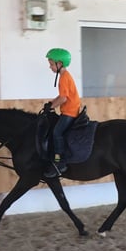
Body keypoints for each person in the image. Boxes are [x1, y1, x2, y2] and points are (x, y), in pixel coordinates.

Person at [43, 47, 81, 177]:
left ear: (60, 64)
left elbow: (64, 98)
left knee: (57, 132)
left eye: (51, 64)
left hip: (70, 112)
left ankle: (60, 163)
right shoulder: (65, 76)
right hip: (69, 109)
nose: (50, 67)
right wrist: (51, 104)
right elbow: (62, 96)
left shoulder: (64, 77)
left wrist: (52, 106)